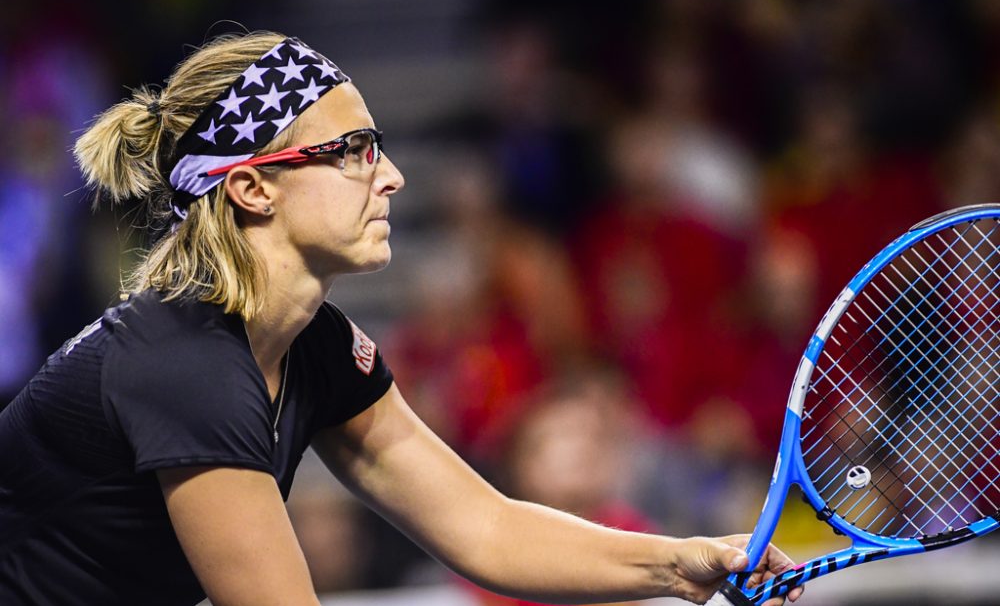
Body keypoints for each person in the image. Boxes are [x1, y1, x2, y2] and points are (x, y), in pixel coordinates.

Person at [0, 31, 803, 606]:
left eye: (377, 145)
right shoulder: (186, 368)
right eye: (350, 150)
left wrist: (682, 559)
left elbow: (485, 529)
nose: (391, 176)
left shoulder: (311, 346)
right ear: (252, 188)